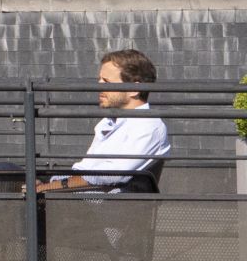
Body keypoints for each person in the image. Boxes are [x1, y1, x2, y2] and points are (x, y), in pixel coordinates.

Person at [36, 48, 170, 196]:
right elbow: (84, 169)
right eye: (100, 80)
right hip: (86, 202)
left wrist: (50, 187)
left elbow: (109, 175)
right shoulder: (108, 123)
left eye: (106, 81)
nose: (99, 85)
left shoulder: (148, 126)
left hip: (104, 206)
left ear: (134, 89)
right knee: (19, 178)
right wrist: (48, 182)